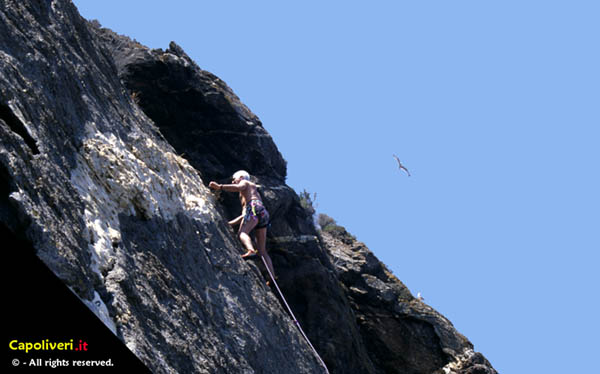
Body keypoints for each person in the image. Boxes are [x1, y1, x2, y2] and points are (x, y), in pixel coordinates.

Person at [209, 170, 275, 278]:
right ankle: (272, 277)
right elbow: (245, 216)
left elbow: (239, 188)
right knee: (262, 250)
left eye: (234, 179)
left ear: (241, 177)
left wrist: (219, 186)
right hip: (262, 213)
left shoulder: (245, 182)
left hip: (253, 209)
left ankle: (250, 250)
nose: (233, 181)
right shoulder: (252, 193)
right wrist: (229, 223)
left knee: (242, 233)